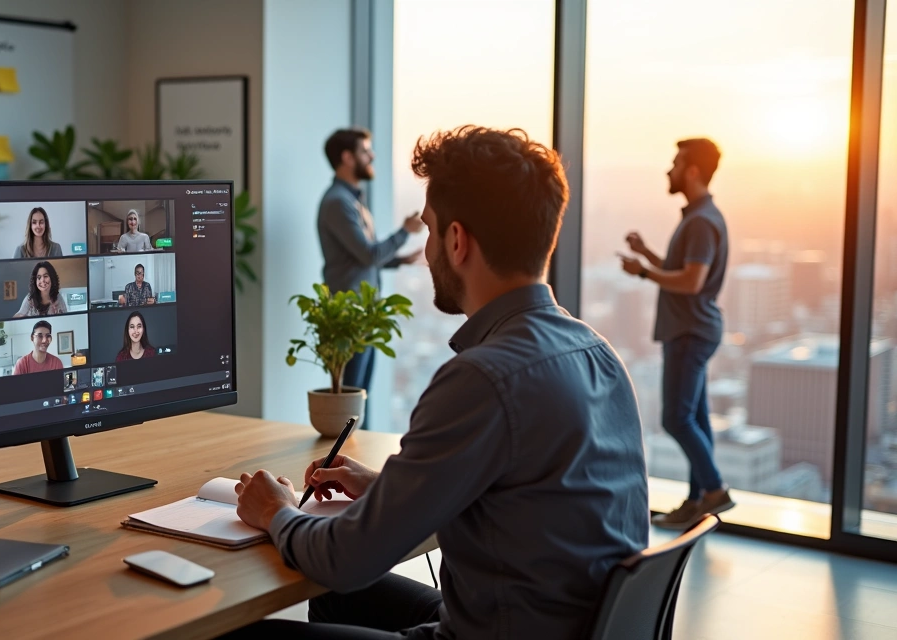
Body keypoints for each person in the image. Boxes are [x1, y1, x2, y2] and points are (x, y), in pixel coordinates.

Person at [223, 126, 648, 640]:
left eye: (429, 230)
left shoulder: (483, 378)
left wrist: (276, 512)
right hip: (550, 624)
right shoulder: (598, 353)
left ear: (456, 239)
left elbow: (344, 559)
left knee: (242, 632)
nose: (425, 250)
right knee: (338, 597)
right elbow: (516, 499)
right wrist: (385, 491)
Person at [619, 138, 734, 530]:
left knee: (676, 419)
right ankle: (698, 500)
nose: (669, 170)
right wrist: (647, 254)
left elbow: (691, 279)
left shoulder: (701, 221)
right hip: (692, 328)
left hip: (689, 331)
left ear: (693, 171)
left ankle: (715, 490)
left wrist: (644, 272)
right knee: (695, 419)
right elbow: (679, 269)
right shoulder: (700, 216)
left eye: (675, 163)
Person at [317, 128, 425, 413]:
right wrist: (405, 231)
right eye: (366, 151)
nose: (372, 155)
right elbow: (368, 254)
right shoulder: (339, 202)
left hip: (362, 313)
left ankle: (349, 454)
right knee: (352, 398)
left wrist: (401, 260)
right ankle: (341, 455)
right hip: (349, 315)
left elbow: (360, 258)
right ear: (347, 157)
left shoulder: (351, 199)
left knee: (360, 396)